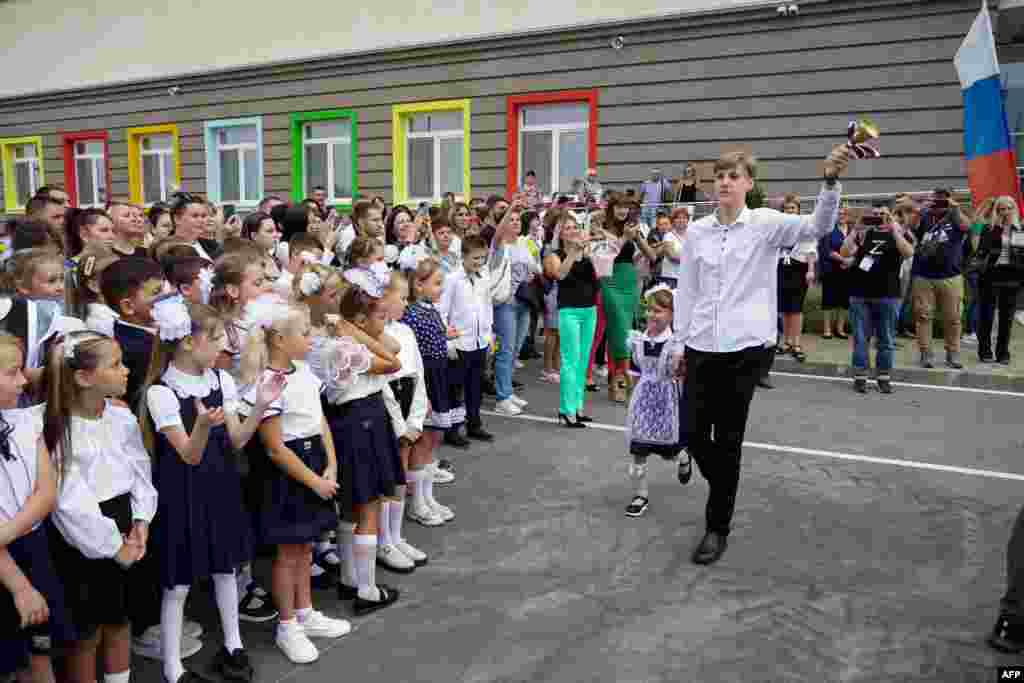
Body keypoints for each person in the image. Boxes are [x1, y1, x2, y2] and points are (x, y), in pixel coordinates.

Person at [672, 144, 849, 565]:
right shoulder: (698, 231)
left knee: (728, 440)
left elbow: (818, 226)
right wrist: (679, 342)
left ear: (748, 184)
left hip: (746, 349)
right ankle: (724, 484)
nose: (725, 182)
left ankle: (717, 528)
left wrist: (829, 182)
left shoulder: (766, 225)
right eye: (720, 176)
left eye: (734, 176)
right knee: (693, 432)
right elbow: (689, 290)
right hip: (700, 345)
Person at [141, 297, 285, 683]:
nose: (225, 345)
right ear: (188, 342)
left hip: (220, 486)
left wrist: (259, 407)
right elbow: (188, 455)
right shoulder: (161, 392)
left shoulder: (220, 380)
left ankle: (234, 644)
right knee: (178, 582)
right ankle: (173, 668)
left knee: (225, 568)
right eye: (217, 337)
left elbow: (236, 439)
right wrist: (203, 424)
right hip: (183, 493)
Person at [238, 301, 351, 664]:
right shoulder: (267, 382)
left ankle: (305, 613)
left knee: (305, 547)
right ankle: (287, 625)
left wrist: (330, 463)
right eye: (304, 333)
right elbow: (273, 448)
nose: (311, 337)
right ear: (280, 340)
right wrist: (314, 481)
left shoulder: (303, 371)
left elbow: (320, 422)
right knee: (288, 553)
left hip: (314, 462)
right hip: (288, 473)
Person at [42, 331, 158, 683]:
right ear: (83, 377)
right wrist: (114, 546)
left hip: (125, 522)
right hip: (87, 537)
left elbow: (139, 468)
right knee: (87, 633)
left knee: (119, 620)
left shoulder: (120, 419)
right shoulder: (61, 430)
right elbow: (70, 502)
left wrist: (141, 519)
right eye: (116, 365)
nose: (127, 371)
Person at [316, 274, 403, 615]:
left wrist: (360, 332)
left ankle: (351, 577)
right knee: (368, 505)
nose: (384, 322)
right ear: (361, 321)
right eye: (377, 317)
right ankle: (367, 589)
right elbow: (393, 361)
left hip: (344, 419)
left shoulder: (328, 343)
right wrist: (357, 334)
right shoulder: (348, 346)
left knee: (352, 504)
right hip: (363, 419)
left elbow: (392, 347)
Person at [0, 332, 69, 683]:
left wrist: (6, 534)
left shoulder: (26, 422)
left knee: (39, 649)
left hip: (29, 547)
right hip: (4, 565)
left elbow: (46, 492)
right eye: (12, 373)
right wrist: (19, 587)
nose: (24, 380)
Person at [623, 285, 690, 518]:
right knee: (638, 450)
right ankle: (640, 495)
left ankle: (683, 456)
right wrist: (632, 398)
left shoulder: (676, 344)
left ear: (672, 314)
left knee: (669, 452)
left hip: (666, 400)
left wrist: (679, 367)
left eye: (659, 310)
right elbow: (633, 370)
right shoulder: (638, 340)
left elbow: (682, 375)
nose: (652, 315)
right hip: (644, 399)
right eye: (650, 310)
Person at [439, 231, 512, 442]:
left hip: (479, 341)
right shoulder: (452, 279)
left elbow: (486, 307)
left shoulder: (483, 277)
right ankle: (452, 429)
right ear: (463, 256)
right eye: (475, 258)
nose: (479, 262)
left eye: (482, 258)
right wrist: (448, 340)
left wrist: (489, 335)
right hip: (459, 342)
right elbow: (443, 312)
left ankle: (474, 423)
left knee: (475, 386)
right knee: (455, 388)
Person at [841, 202, 915, 394]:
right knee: (860, 338)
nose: (878, 218)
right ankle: (860, 376)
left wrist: (894, 230)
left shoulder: (898, 233)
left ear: (891, 215)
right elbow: (845, 252)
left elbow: (908, 253)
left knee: (886, 339)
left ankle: (883, 376)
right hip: (860, 293)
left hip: (888, 295)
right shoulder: (864, 232)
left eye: (882, 214)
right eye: (874, 214)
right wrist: (855, 229)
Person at [911, 188, 969, 369]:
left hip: (951, 275)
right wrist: (920, 209)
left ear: (951, 199)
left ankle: (952, 353)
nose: (939, 203)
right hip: (923, 275)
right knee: (923, 316)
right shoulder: (925, 215)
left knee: (953, 318)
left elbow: (967, 227)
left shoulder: (955, 216)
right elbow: (911, 226)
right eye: (937, 199)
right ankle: (925, 353)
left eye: (944, 200)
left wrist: (955, 209)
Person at [554, 210, 598, 427]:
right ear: (560, 233)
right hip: (569, 311)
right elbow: (560, 275)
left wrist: (589, 253)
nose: (572, 231)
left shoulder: (587, 252)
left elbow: (599, 276)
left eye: (575, 227)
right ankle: (566, 410)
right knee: (570, 361)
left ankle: (577, 407)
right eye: (567, 228)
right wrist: (573, 252)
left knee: (582, 362)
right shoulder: (555, 254)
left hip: (590, 310)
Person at [974, 195, 1024, 364]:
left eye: (1009, 208)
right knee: (987, 315)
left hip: (1012, 276)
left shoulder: (1020, 228)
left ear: (1014, 209)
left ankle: (1003, 353)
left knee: (1006, 318)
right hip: (991, 274)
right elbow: (982, 252)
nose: (1006, 212)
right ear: (997, 211)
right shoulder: (990, 228)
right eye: (1002, 209)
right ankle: (985, 351)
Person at [776, 194, 817, 362]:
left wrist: (811, 270)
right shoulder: (779, 227)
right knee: (784, 308)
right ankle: (786, 342)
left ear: (798, 210)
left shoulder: (805, 227)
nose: (789, 211)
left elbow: (811, 250)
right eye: (786, 208)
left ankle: (796, 344)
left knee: (796, 308)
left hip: (799, 268)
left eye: (792, 208)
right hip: (781, 268)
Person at [818, 204, 852, 339]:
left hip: (848, 270)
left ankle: (840, 328)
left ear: (848, 216)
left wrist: (851, 261)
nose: (841, 216)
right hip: (831, 269)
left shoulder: (852, 230)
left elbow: (859, 247)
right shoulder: (828, 230)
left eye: (844, 213)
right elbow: (826, 250)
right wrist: (844, 260)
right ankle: (827, 329)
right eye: (839, 214)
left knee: (844, 300)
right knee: (829, 299)